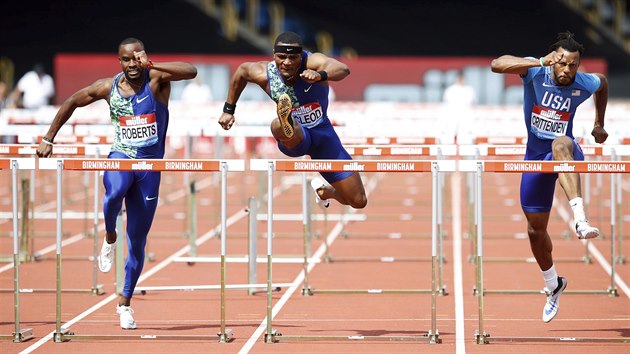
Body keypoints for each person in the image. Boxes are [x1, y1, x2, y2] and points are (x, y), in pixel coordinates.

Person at [36, 38, 197, 329]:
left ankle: (124, 304)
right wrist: (49, 138)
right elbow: (72, 101)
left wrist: (153, 64)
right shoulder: (107, 88)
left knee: (137, 242)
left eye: (137, 59)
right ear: (119, 61)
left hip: (150, 167)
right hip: (120, 157)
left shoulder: (157, 80)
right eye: (126, 60)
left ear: (144, 59)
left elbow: (191, 71)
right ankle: (110, 236)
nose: (132, 65)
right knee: (114, 193)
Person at [490, 31, 608, 323]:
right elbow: (496, 64)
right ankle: (553, 284)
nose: (568, 70)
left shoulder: (583, 82)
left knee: (559, 143)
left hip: (565, 150)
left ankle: (580, 219)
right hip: (534, 158)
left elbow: (602, 84)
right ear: (554, 61)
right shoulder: (536, 71)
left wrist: (598, 125)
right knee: (535, 231)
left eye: (573, 65)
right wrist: (539, 61)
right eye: (563, 64)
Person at [218, 31, 367, 209]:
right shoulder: (265, 74)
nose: (287, 63)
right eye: (281, 57)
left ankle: (323, 191)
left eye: (292, 58)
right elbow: (242, 72)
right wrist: (228, 110)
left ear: (301, 57)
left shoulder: (312, 62)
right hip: (296, 140)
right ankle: (285, 120)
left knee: (358, 200)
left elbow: (343, 69)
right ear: (274, 56)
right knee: (283, 126)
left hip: (323, 136)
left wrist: (320, 75)